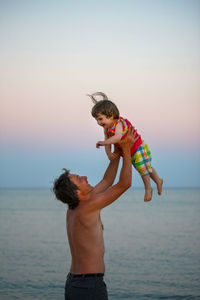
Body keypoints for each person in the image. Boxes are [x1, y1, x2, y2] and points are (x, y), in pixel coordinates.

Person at [53, 128, 138, 300]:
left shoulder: (76, 207)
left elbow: (107, 181)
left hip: (76, 283)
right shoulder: (88, 206)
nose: (85, 177)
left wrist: (117, 152)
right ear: (77, 193)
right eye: (80, 179)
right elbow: (124, 184)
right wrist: (128, 150)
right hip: (88, 286)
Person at [88, 92, 163, 202]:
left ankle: (148, 188)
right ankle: (158, 180)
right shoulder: (107, 128)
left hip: (138, 147)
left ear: (111, 115)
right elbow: (107, 141)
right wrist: (109, 154)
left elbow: (118, 137)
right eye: (97, 120)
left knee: (142, 168)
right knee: (144, 166)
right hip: (130, 150)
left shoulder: (119, 123)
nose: (98, 123)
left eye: (100, 119)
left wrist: (104, 143)